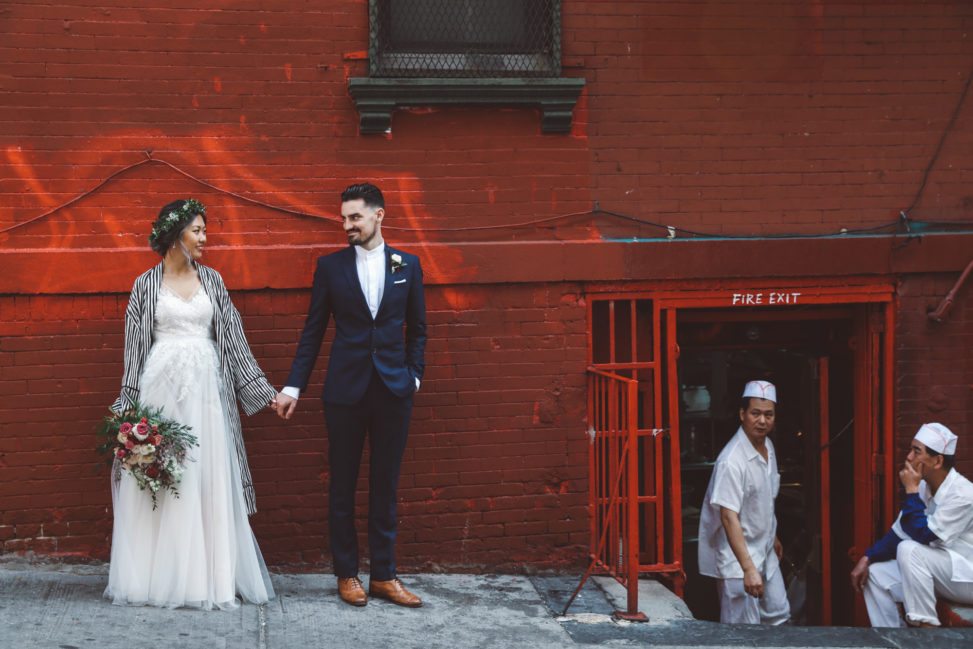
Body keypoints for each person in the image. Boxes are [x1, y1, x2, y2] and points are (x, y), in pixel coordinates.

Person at [105, 198, 278, 609]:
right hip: (160, 392)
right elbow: (134, 351)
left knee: (205, 475)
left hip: (206, 395)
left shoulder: (213, 281)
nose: (204, 238)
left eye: (204, 230)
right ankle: (156, 578)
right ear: (174, 234)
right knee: (163, 475)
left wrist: (265, 393)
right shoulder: (145, 285)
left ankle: (207, 578)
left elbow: (233, 340)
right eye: (197, 230)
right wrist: (126, 409)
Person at [274, 183, 426, 608]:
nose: (347, 225)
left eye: (355, 217)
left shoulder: (407, 265)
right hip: (345, 392)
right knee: (342, 485)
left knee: (386, 485)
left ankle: (384, 575)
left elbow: (418, 328)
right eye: (344, 218)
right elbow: (313, 330)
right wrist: (292, 386)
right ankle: (346, 574)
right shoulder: (331, 267)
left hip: (394, 391)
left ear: (379, 215)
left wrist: (414, 377)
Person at [850, 423, 973, 627]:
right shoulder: (923, 487)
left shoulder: (963, 494)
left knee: (909, 550)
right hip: (942, 572)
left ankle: (926, 631)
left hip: (967, 575)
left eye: (916, 452)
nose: (908, 457)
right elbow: (899, 533)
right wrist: (867, 557)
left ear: (937, 461)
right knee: (876, 574)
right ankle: (892, 639)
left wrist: (911, 492)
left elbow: (924, 535)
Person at [698, 380, 790, 625]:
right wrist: (748, 569)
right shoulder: (731, 460)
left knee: (779, 616)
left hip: (765, 549)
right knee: (742, 630)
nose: (762, 421)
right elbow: (729, 517)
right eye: (755, 413)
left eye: (768, 415)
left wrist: (774, 534)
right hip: (737, 559)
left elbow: (763, 499)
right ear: (742, 414)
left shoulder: (767, 446)